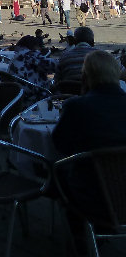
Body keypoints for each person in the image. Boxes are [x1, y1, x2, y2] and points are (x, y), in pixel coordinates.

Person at [52, 50, 126, 255]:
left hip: (93, 197)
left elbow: (60, 145)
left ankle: (80, 238)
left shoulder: (77, 106)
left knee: (57, 173)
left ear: (85, 77)